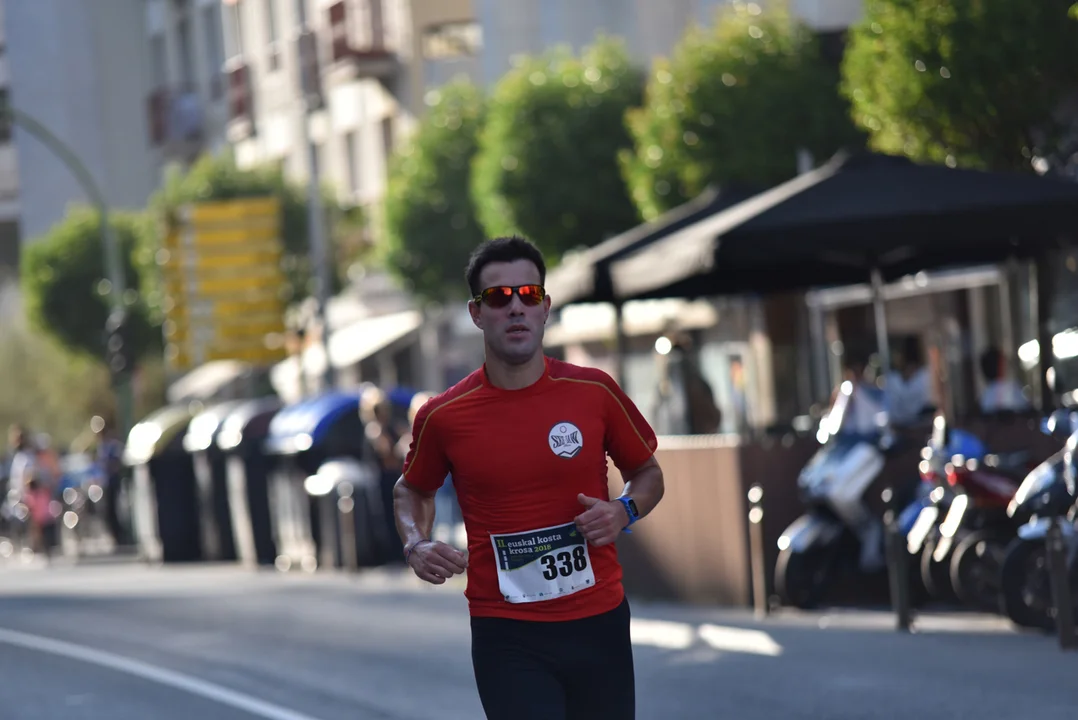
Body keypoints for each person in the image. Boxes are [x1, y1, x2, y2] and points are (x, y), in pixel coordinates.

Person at [393, 236, 665, 720]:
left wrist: (623, 510)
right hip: (507, 633)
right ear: (477, 313)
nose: (516, 306)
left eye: (529, 294)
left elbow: (647, 473)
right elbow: (412, 489)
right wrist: (417, 543)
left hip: (598, 622)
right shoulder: (445, 415)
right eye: (499, 297)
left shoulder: (594, 391)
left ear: (545, 308)